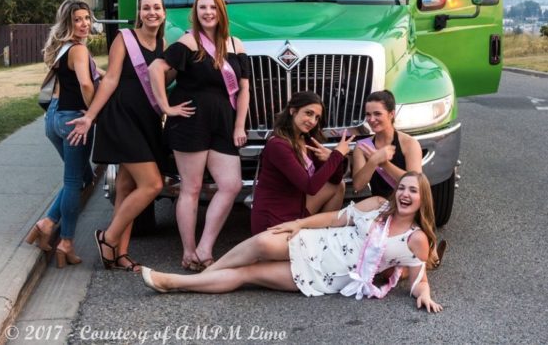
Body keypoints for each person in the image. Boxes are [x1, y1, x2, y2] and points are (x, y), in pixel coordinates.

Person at [141, 171, 443, 313]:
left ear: (422, 199)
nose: (405, 194)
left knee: (250, 274)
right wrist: (298, 224)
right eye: (402, 187)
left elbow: (419, 278)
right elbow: (334, 217)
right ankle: (198, 279)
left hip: (325, 276)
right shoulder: (377, 204)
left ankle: (175, 283)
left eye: (413, 191)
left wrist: (424, 295)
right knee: (261, 243)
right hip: (316, 244)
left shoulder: (415, 239)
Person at [149, 0, 250, 272]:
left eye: (213, 8)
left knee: (231, 185)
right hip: (190, 121)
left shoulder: (235, 44)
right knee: (191, 189)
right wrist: (166, 107)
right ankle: (189, 252)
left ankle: (206, 246)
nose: (208, 13)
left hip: (224, 123)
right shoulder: (189, 41)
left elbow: (244, 89)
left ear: (221, 12)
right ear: (196, 13)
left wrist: (240, 124)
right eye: (203, 8)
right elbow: (156, 69)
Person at [67, 0, 168, 272]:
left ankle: (119, 254)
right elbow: (110, 79)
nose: (152, 12)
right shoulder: (125, 38)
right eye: (146, 7)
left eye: (156, 8)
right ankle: (107, 238)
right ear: (139, 12)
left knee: (126, 186)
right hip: (121, 116)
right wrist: (90, 116)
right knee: (152, 184)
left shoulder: (163, 43)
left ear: (163, 13)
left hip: (146, 119)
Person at [25, 0, 98, 268]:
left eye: (87, 18)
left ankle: (46, 224)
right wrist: (92, 115)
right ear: (68, 23)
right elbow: (85, 83)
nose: (84, 24)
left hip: (53, 118)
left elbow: (92, 72)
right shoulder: (78, 49)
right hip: (73, 119)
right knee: (73, 181)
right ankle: (65, 242)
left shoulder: (63, 48)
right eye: (77, 19)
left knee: (82, 177)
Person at [251, 91, 353, 235]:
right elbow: (310, 187)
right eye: (308, 113)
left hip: (295, 209)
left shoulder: (307, 141)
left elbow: (334, 181)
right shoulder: (278, 145)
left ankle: (325, 235)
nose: (312, 121)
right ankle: (318, 237)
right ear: (293, 111)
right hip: (274, 219)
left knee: (339, 185)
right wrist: (336, 155)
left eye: (317, 117)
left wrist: (335, 158)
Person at [351, 90, 422, 198]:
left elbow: (415, 184)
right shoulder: (362, 146)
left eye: (377, 114)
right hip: (379, 205)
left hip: (406, 204)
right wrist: (374, 161)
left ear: (391, 114)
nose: (371, 119)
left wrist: (384, 164)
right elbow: (357, 186)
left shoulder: (410, 144)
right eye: (368, 114)